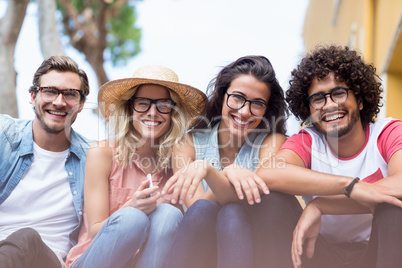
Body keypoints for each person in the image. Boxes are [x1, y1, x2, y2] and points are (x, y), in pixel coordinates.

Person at [254, 45, 402, 267]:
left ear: (360, 100)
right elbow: (266, 173)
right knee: (271, 200)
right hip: (319, 254)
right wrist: (349, 185)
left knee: (393, 209)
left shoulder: (387, 132)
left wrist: (321, 205)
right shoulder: (308, 140)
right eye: (318, 98)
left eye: (339, 93)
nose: (330, 105)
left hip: (378, 252)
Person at [65, 65, 207, 268]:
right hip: (94, 260)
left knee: (169, 214)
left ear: (173, 113)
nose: (152, 113)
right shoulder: (102, 153)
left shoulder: (175, 164)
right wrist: (130, 207)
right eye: (143, 103)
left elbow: (185, 223)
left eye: (163, 105)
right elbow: (95, 229)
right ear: (130, 108)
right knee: (133, 218)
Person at [162, 55, 288, 268]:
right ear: (222, 96)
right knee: (205, 210)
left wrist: (211, 173)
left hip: (252, 248)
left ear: (266, 109)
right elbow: (197, 209)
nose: (245, 111)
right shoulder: (187, 143)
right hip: (200, 248)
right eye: (237, 98)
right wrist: (224, 174)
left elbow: (254, 196)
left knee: (233, 214)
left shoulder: (272, 142)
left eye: (257, 104)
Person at [0, 56, 91, 268]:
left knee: (27, 238)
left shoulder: (93, 157)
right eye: (50, 91)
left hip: (47, 261)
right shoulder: (4, 134)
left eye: (70, 94)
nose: (59, 102)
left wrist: (186, 167)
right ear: (33, 96)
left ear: (81, 104)